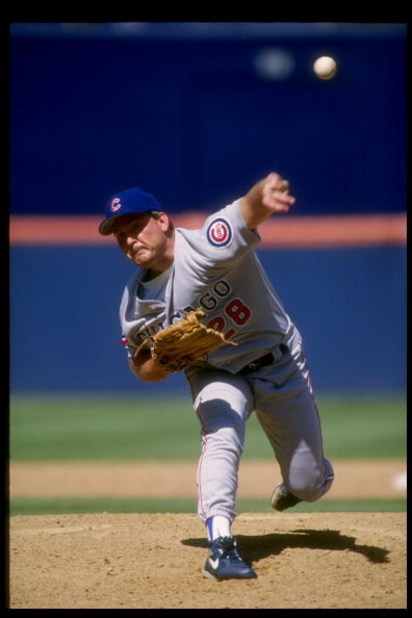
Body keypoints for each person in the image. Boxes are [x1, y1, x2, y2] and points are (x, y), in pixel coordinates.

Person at [98, 172, 334, 581]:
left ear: (162, 220)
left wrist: (264, 193)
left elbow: (247, 210)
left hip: (277, 360)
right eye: (119, 235)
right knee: (220, 437)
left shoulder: (207, 244)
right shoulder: (135, 306)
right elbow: (141, 369)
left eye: (135, 227)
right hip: (215, 372)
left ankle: (304, 480)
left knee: (309, 484)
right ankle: (221, 545)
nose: (129, 239)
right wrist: (166, 361)